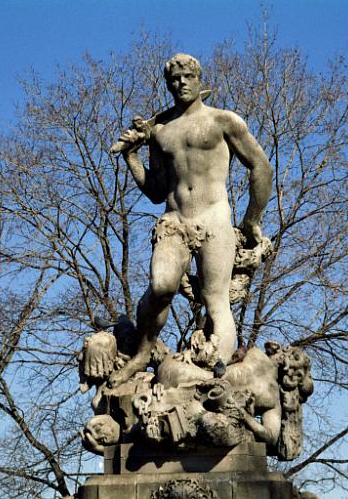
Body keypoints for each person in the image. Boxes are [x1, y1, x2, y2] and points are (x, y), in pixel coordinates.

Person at [108, 53, 272, 387]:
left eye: (187, 77)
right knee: (161, 286)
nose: (181, 83)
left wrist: (252, 219)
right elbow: (155, 191)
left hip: (215, 219)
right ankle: (142, 351)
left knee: (217, 301)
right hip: (174, 221)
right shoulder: (160, 132)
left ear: (199, 80)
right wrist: (131, 155)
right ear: (168, 85)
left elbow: (261, 166)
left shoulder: (223, 121)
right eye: (174, 80)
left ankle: (219, 374)